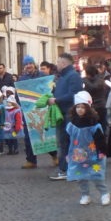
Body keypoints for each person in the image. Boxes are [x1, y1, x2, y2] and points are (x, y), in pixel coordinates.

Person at [66, 91, 109, 206]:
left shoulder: (93, 124)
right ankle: (85, 195)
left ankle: (104, 193)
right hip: (78, 154)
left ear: (88, 108)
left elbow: (100, 140)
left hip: (93, 154)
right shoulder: (72, 124)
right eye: (78, 107)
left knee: (97, 175)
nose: (80, 109)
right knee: (80, 176)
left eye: (83, 107)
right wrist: (67, 154)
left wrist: (102, 152)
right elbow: (68, 140)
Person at [48, 53, 84, 181]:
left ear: (63, 64)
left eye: (58, 62)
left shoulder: (73, 76)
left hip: (69, 114)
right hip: (62, 114)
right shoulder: (63, 76)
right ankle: (66, 169)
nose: (56, 64)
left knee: (67, 142)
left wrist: (57, 100)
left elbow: (75, 94)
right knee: (63, 143)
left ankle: (67, 170)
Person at [17, 55, 42, 169]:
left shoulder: (42, 76)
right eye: (26, 64)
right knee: (28, 137)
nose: (28, 66)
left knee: (46, 134)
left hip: (42, 110)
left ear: (34, 64)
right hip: (28, 111)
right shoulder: (21, 79)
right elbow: (18, 94)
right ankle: (31, 160)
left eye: (30, 63)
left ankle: (54, 155)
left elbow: (49, 89)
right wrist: (20, 103)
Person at [83, 63, 111, 131]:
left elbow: (93, 87)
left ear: (88, 73)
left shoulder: (99, 79)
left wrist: (84, 80)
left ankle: (101, 140)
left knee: (99, 126)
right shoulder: (97, 79)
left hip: (97, 106)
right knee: (97, 126)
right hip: (96, 105)